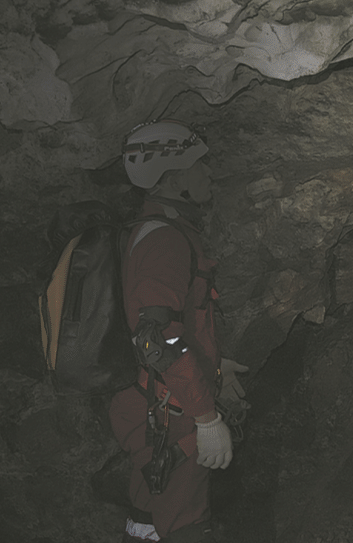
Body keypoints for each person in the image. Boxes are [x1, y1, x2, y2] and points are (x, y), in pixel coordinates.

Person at [110, 119, 249, 542]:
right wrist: (205, 417)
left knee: (149, 521)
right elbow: (155, 338)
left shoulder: (154, 230)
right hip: (170, 416)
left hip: (151, 403)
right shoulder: (165, 240)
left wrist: (213, 365)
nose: (209, 173)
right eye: (199, 165)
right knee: (185, 527)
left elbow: (173, 325)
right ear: (173, 176)